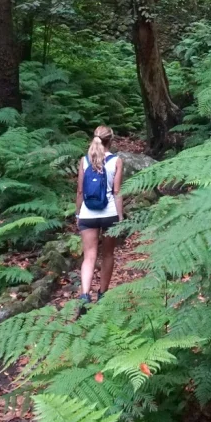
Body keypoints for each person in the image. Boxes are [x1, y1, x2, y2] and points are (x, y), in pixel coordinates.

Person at [74, 125, 123, 311]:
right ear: (111, 140)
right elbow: (117, 191)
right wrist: (120, 217)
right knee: (108, 254)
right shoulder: (117, 161)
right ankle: (102, 295)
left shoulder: (84, 161)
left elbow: (80, 191)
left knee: (89, 257)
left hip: (88, 214)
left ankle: (85, 296)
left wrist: (78, 214)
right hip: (109, 213)